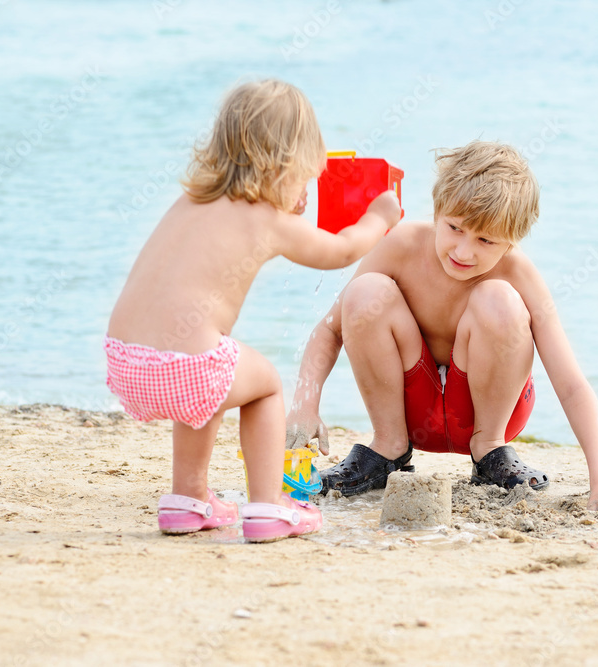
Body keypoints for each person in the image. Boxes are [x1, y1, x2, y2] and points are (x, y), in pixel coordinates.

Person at [104, 79, 401, 542]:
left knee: (209, 373)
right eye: (303, 176)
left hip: (126, 365)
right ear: (284, 165)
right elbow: (342, 250)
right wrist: (379, 217)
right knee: (263, 386)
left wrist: (289, 207)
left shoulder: (192, 200)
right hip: (185, 369)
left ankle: (188, 499)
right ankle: (268, 507)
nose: (304, 190)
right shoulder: (268, 220)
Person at [286, 141, 598, 513]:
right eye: (454, 228)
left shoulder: (518, 273)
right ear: (437, 212)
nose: (463, 251)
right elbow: (329, 330)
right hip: (410, 409)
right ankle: (387, 449)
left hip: (488, 415)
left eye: (485, 240)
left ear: (511, 242)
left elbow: (571, 383)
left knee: (499, 298)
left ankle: (489, 452)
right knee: (365, 291)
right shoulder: (401, 245)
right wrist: (305, 406)